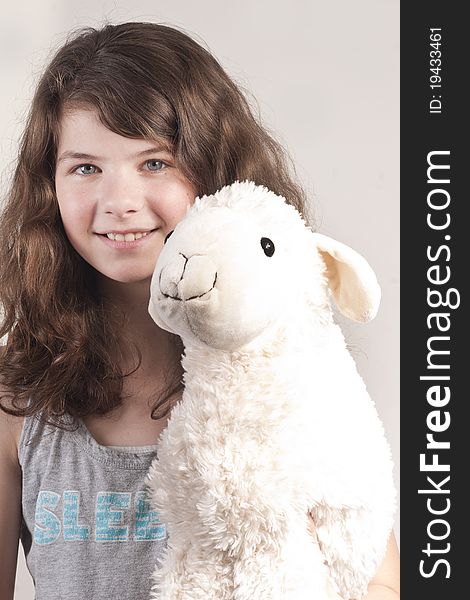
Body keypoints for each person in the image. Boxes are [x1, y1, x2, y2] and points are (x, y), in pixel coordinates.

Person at [0, 22, 399, 600]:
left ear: (215, 172)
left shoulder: (287, 377)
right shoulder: (17, 397)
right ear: (49, 186)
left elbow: (378, 580)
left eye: (155, 163)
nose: (120, 202)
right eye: (86, 167)